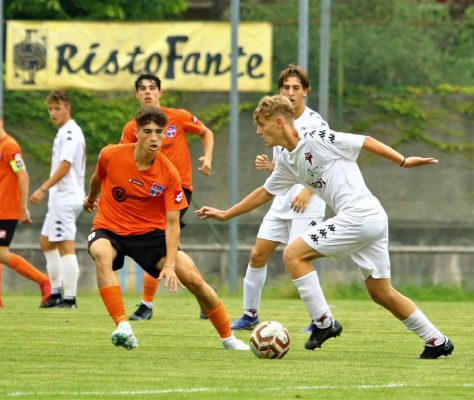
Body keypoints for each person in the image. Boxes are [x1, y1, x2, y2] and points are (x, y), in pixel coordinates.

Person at [196, 95, 454, 359]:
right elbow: (265, 192)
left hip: (360, 216)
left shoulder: (317, 136)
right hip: (370, 219)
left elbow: (365, 140)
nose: (259, 132)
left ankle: (323, 323)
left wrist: (402, 160)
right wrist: (227, 214)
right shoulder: (286, 160)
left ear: (280, 122)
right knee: (381, 292)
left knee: (293, 254)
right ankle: (436, 340)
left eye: (262, 125)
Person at [83, 106, 248, 351]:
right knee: (101, 253)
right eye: (147, 132)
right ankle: (123, 325)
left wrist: (170, 265)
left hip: (151, 235)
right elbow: (98, 176)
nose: (154, 137)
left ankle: (228, 337)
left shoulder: (169, 174)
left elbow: (172, 224)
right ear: (136, 133)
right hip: (110, 228)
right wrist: (90, 198)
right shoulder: (111, 155)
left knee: (194, 280)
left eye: (159, 132)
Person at [231, 65, 327, 331]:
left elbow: (325, 164)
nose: (291, 92)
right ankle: (250, 315)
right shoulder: (275, 120)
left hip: (308, 203)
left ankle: (318, 320)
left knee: (298, 258)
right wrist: (270, 169)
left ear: (306, 91)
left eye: (296, 88)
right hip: (282, 201)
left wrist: (308, 191)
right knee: (257, 254)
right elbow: (289, 170)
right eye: (286, 88)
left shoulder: (315, 122)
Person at [120, 74, 215, 321]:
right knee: (169, 250)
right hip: (149, 193)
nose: (148, 92)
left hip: (178, 189)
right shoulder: (132, 129)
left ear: (160, 93)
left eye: (152, 88)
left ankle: (146, 306)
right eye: (142, 89)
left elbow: (206, 133)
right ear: (137, 95)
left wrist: (208, 157)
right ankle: (207, 294)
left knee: (158, 243)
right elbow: (124, 160)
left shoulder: (179, 117)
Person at [0, 111, 51, 308]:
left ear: (1, 122)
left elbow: (23, 175)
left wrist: (22, 208)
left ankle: (44, 281)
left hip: (7, 210)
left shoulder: (9, 146)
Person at [30, 90, 86, 309]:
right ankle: (55, 293)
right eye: (50, 109)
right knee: (46, 241)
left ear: (67, 108)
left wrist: (42, 188)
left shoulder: (71, 132)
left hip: (66, 198)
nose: (53, 113)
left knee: (65, 245)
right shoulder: (63, 131)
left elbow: (65, 165)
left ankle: (70, 298)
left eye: (57, 108)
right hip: (59, 199)